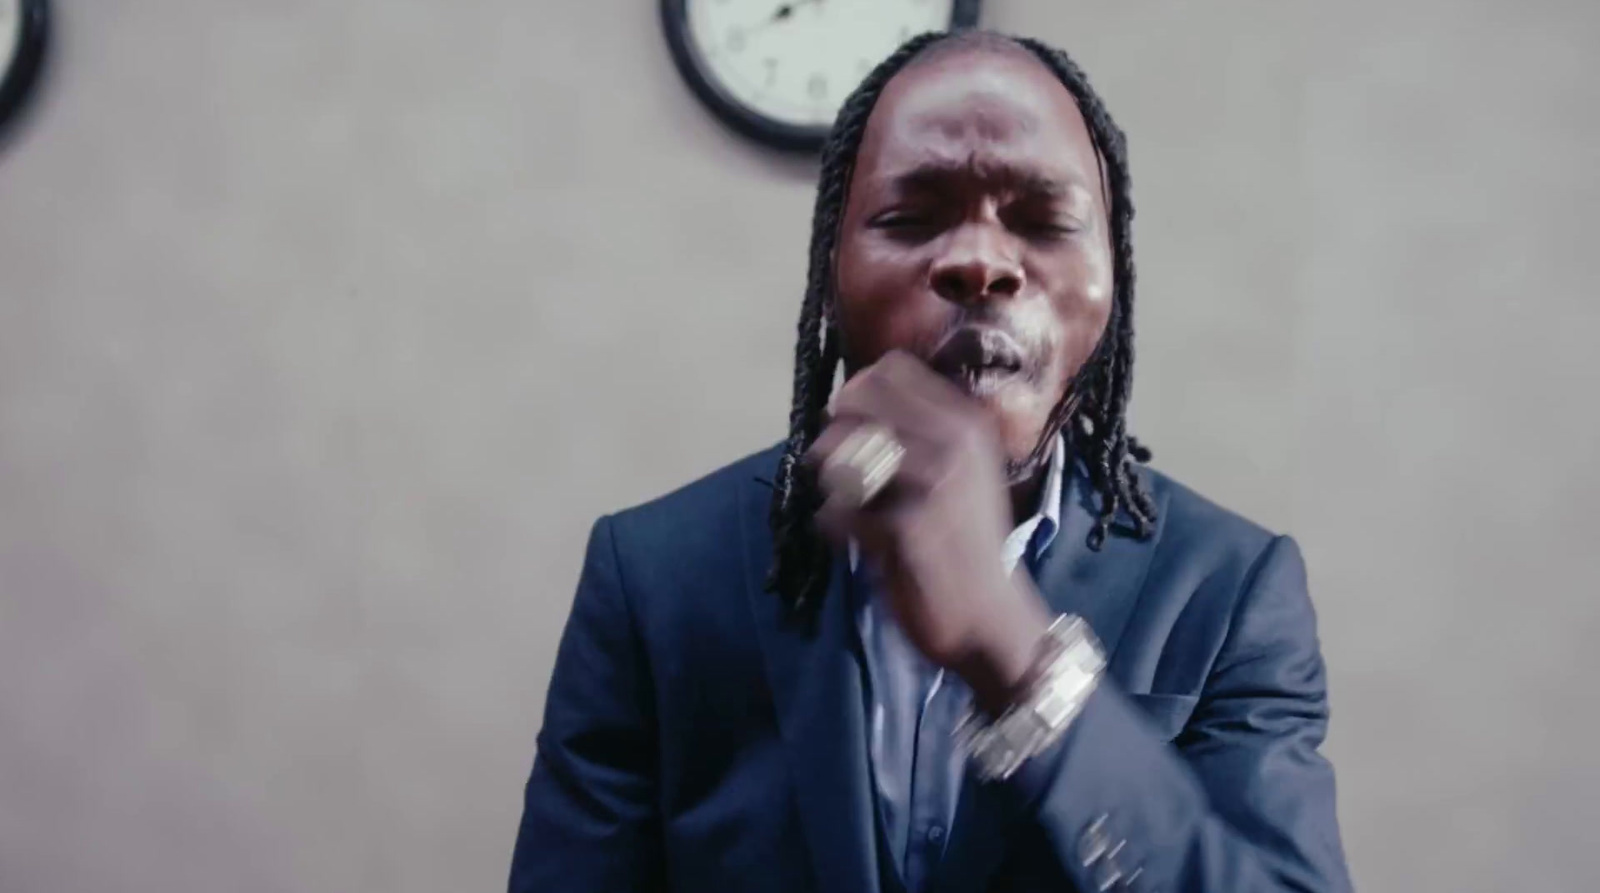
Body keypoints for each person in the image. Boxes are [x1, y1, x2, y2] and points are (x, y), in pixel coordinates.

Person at [509, 29, 1351, 893]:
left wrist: (1013, 650)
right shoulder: (654, 577)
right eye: (912, 219)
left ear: (1113, 278)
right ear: (833, 274)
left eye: (1043, 220)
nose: (980, 262)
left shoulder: (1230, 591)